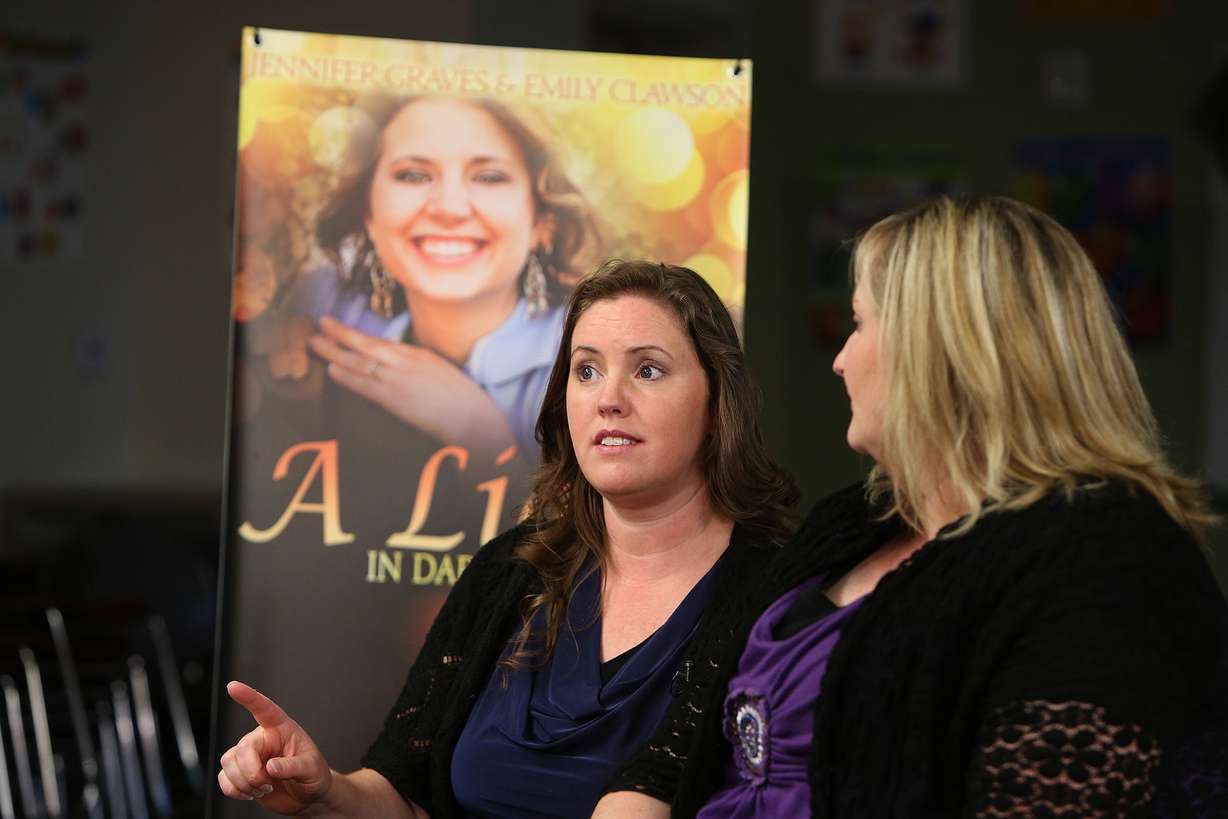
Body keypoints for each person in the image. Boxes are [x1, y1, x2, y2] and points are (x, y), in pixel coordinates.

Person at [596, 195, 1228, 817]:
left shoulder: (1108, 561)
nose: (839, 362)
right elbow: (679, 748)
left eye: (859, 324)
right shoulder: (854, 521)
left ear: (943, 348)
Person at [217, 261, 800, 818]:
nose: (608, 399)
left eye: (648, 370)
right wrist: (325, 792)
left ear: (717, 402)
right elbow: (404, 796)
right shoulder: (512, 568)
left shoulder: (778, 596)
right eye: (587, 371)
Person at [263, 93, 601, 456]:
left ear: (542, 223)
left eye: (489, 177)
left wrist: (476, 429)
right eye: (413, 175)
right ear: (368, 214)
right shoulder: (324, 302)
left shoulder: (592, 355)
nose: (449, 208)